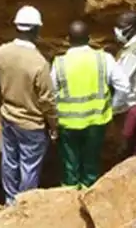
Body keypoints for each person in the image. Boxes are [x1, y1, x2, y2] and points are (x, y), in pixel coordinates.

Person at [0, 5, 56, 205]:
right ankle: (24, 205)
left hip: (8, 116)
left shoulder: (3, 51)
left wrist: (0, 87)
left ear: (17, 27)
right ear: (37, 30)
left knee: (10, 161)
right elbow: (47, 100)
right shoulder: (39, 63)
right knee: (29, 166)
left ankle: (10, 200)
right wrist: (54, 126)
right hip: (32, 123)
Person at [50, 21, 128, 189]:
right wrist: (113, 109)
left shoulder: (59, 63)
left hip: (68, 123)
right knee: (91, 163)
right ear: (89, 38)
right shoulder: (104, 59)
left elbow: (51, 94)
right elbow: (124, 87)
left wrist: (53, 121)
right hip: (96, 121)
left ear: (68, 39)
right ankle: (89, 194)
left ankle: (69, 197)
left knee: (70, 166)